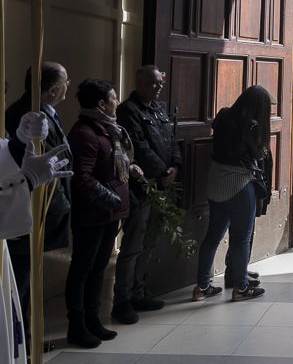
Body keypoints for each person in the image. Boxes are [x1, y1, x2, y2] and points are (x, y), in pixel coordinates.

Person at [4, 62, 73, 353]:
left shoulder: (36, 115)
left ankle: (25, 340)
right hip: (24, 216)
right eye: (65, 82)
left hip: (29, 211)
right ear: (53, 89)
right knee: (16, 288)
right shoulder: (24, 115)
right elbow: (12, 166)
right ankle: (19, 342)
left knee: (26, 284)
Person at [66, 79, 134, 349]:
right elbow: (81, 178)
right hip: (92, 214)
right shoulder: (84, 133)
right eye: (113, 98)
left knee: (98, 269)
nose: (117, 102)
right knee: (82, 269)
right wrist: (111, 199)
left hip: (108, 213)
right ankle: (77, 326)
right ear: (101, 104)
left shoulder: (108, 129)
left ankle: (93, 320)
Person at [112, 65, 180, 324]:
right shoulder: (128, 111)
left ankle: (139, 292)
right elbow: (138, 147)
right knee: (133, 246)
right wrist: (162, 171)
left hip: (162, 185)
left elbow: (171, 140)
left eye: (160, 83)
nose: (159, 87)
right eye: (153, 83)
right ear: (139, 83)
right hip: (141, 188)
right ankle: (122, 300)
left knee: (150, 242)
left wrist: (175, 166)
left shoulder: (159, 109)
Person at [193, 85, 271, 303]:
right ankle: (241, 287)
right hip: (239, 183)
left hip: (215, 181)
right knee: (241, 238)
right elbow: (258, 153)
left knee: (212, 236)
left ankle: (202, 286)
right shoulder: (252, 126)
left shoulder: (224, 115)